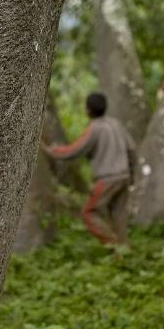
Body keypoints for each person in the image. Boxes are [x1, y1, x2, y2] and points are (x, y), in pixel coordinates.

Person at [44, 92, 137, 246]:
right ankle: (123, 252)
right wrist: (132, 174)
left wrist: (53, 151)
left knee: (89, 212)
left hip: (107, 179)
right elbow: (132, 149)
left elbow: (76, 150)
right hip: (124, 176)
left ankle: (112, 244)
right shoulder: (116, 124)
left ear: (88, 110)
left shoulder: (95, 128)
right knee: (119, 215)